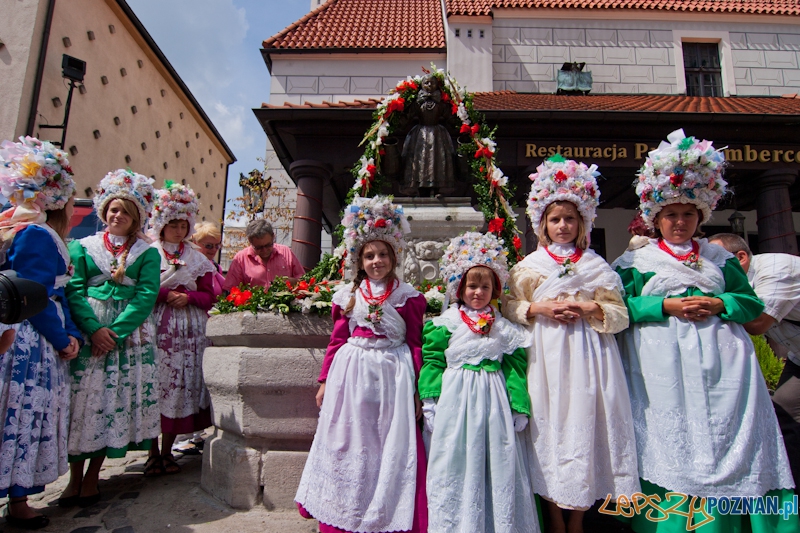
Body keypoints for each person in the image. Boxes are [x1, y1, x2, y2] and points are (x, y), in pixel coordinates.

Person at [611, 129, 796, 532]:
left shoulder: (718, 257)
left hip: (726, 371)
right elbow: (617, 308)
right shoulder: (632, 263)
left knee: (733, 442)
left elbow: (750, 303)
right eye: (671, 215)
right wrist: (666, 305)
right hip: (661, 373)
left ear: (700, 217)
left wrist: (719, 303)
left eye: (688, 214)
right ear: (656, 218)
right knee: (671, 447)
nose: (679, 222)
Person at [504, 155, 640, 533]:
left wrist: (589, 306)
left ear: (582, 223)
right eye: (555, 219)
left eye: (569, 219)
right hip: (544, 355)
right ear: (542, 224)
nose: (562, 226)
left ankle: (578, 517)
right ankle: (552, 516)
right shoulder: (528, 266)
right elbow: (509, 307)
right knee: (547, 430)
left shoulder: (597, 265)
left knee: (584, 426)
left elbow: (620, 314)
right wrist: (539, 306)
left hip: (588, 356)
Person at [295, 195, 428, 533]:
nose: (377, 261)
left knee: (385, 441)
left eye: (383, 254)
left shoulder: (408, 297)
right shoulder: (348, 296)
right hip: (351, 374)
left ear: (394, 257)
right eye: (370, 255)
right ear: (360, 260)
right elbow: (337, 340)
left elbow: (415, 344)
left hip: (392, 375)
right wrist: (325, 380)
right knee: (350, 439)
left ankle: (384, 510)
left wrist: (416, 390)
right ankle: (343, 510)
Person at [419, 231, 540, 533]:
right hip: (455, 401)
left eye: (485, 286)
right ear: (459, 288)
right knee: (456, 459)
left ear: (495, 290)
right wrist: (430, 399)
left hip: (492, 399)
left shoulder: (504, 327)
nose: (477, 292)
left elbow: (514, 367)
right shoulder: (444, 324)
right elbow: (433, 362)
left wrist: (519, 407)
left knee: (494, 459)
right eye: (471, 286)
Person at [60, 169, 161, 507]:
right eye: (114, 209)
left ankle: (92, 478)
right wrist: (93, 329)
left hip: (124, 338)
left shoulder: (147, 254)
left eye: (126, 212)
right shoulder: (82, 246)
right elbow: (73, 290)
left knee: (108, 401)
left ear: (136, 219)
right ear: (104, 211)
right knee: (82, 404)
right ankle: (73, 478)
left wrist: (115, 333)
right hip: (91, 332)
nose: (118, 216)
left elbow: (146, 296)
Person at [0, 137, 81, 529]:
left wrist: (68, 330)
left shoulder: (24, 229)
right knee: (18, 410)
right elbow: (35, 295)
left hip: (27, 333)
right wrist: (62, 338)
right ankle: (15, 500)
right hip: (27, 340)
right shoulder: (36, 234)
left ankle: (17, 498)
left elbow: (51, 293)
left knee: (19, 415)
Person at [709, 232, 800, 496]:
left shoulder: (775, 269)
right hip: (797, 358)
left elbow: (757, 323)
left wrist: (716, 304)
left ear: (741, 258)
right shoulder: (740, 285)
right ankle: (790, 494)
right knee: (783, 414)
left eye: (717, 261)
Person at [145, 182, 216, 476]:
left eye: (182, 224)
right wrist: (165, 295)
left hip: (188, 329)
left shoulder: (198, 258)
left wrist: (188, 297)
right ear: (161, 225)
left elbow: (210, 294)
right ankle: (151, 452)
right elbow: (142, 288)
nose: (177, 230)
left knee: (181, 385)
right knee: (156, 383)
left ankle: (168, 450)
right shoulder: (148, 253)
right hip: (157, 325)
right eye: (172, 224)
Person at [222, 218, 303, 291]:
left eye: (268, 245)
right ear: (250, 241)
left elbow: (304, 280)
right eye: (259, 247)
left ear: (273, 237)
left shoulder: (286, 252)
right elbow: (230, 291)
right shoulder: (240, 259)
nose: (264, 250)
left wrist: (293, 281)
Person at [192, 220, 225, 298]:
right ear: (195, 243)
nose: (214, 249)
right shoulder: (189, 265)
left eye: (217, 245)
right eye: (209, 246)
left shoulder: (216, 267)